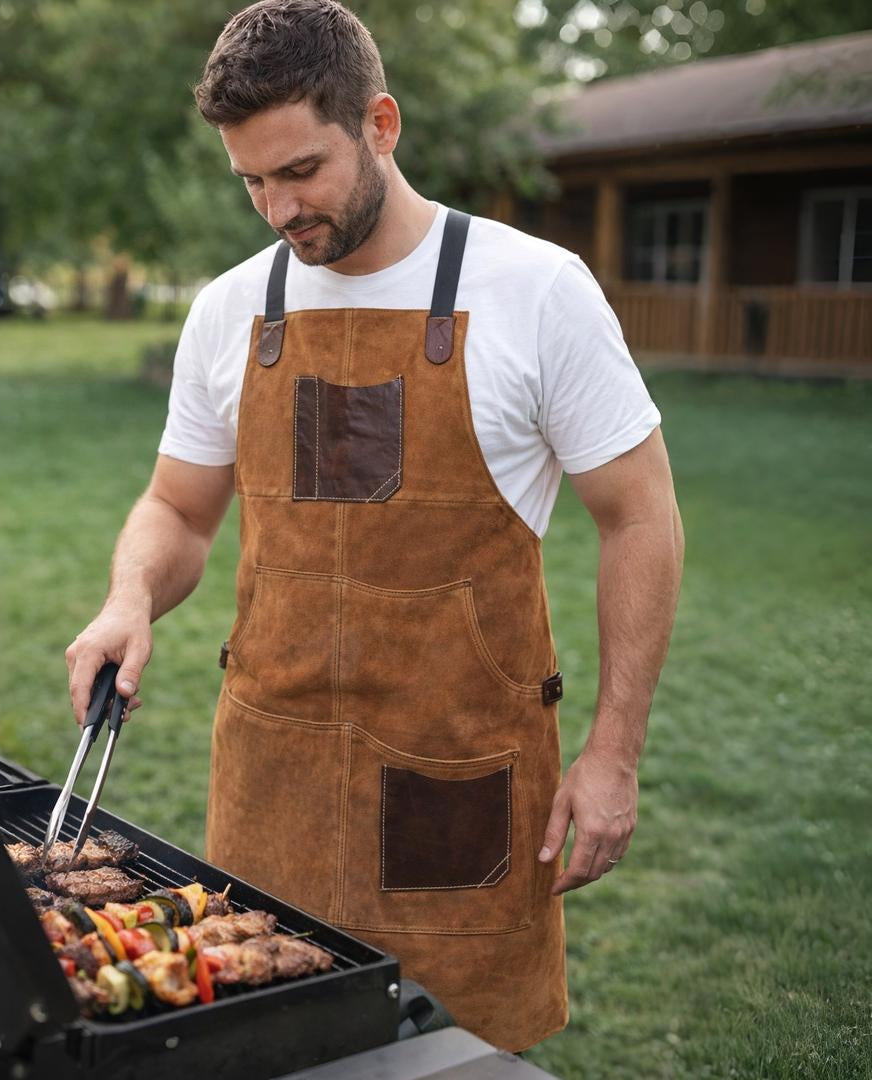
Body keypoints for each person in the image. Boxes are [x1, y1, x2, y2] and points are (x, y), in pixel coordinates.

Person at [66, 0, 684, 1053]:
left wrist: (614, 752)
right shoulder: (229, 311)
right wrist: (129, 598)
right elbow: (176, 506)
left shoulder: (536, 290)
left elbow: (641, 519)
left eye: (300, 171)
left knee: (454, 1058)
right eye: (252, 181)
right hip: (272, 784)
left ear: (380, 124)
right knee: (262, 1047)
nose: (277, 209)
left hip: (458, 788)